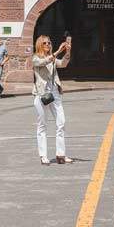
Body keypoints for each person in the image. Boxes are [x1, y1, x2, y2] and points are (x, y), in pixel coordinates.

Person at [32, 35, 72, 165]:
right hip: (42, 95)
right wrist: (58, 51)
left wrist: (67, 52)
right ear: (40, 45)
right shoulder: (36, 58)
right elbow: (43, 62)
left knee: (61, 122)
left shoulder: (53, 59)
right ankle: (43, 156)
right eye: (45, 43)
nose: (48, 45)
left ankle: (61, 154)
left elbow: (63, 64)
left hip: (54, 93)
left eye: (49, 43)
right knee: (42, 125)